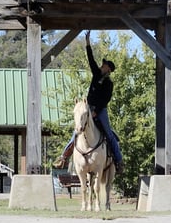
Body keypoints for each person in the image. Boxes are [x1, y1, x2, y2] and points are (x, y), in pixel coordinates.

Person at [53, 30, 124, 173]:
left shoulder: (109, 84)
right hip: (87, 107)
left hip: (100, 110)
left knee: (109, 134)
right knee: (77, 131)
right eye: (103, 64)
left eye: (104, 65)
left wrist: (96, 112)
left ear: (108, 70)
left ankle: (118, 160)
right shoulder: (96, 74)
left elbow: (105, 100)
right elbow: (91, 59)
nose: (101, 66)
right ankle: (64, 157)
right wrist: (87, 44)